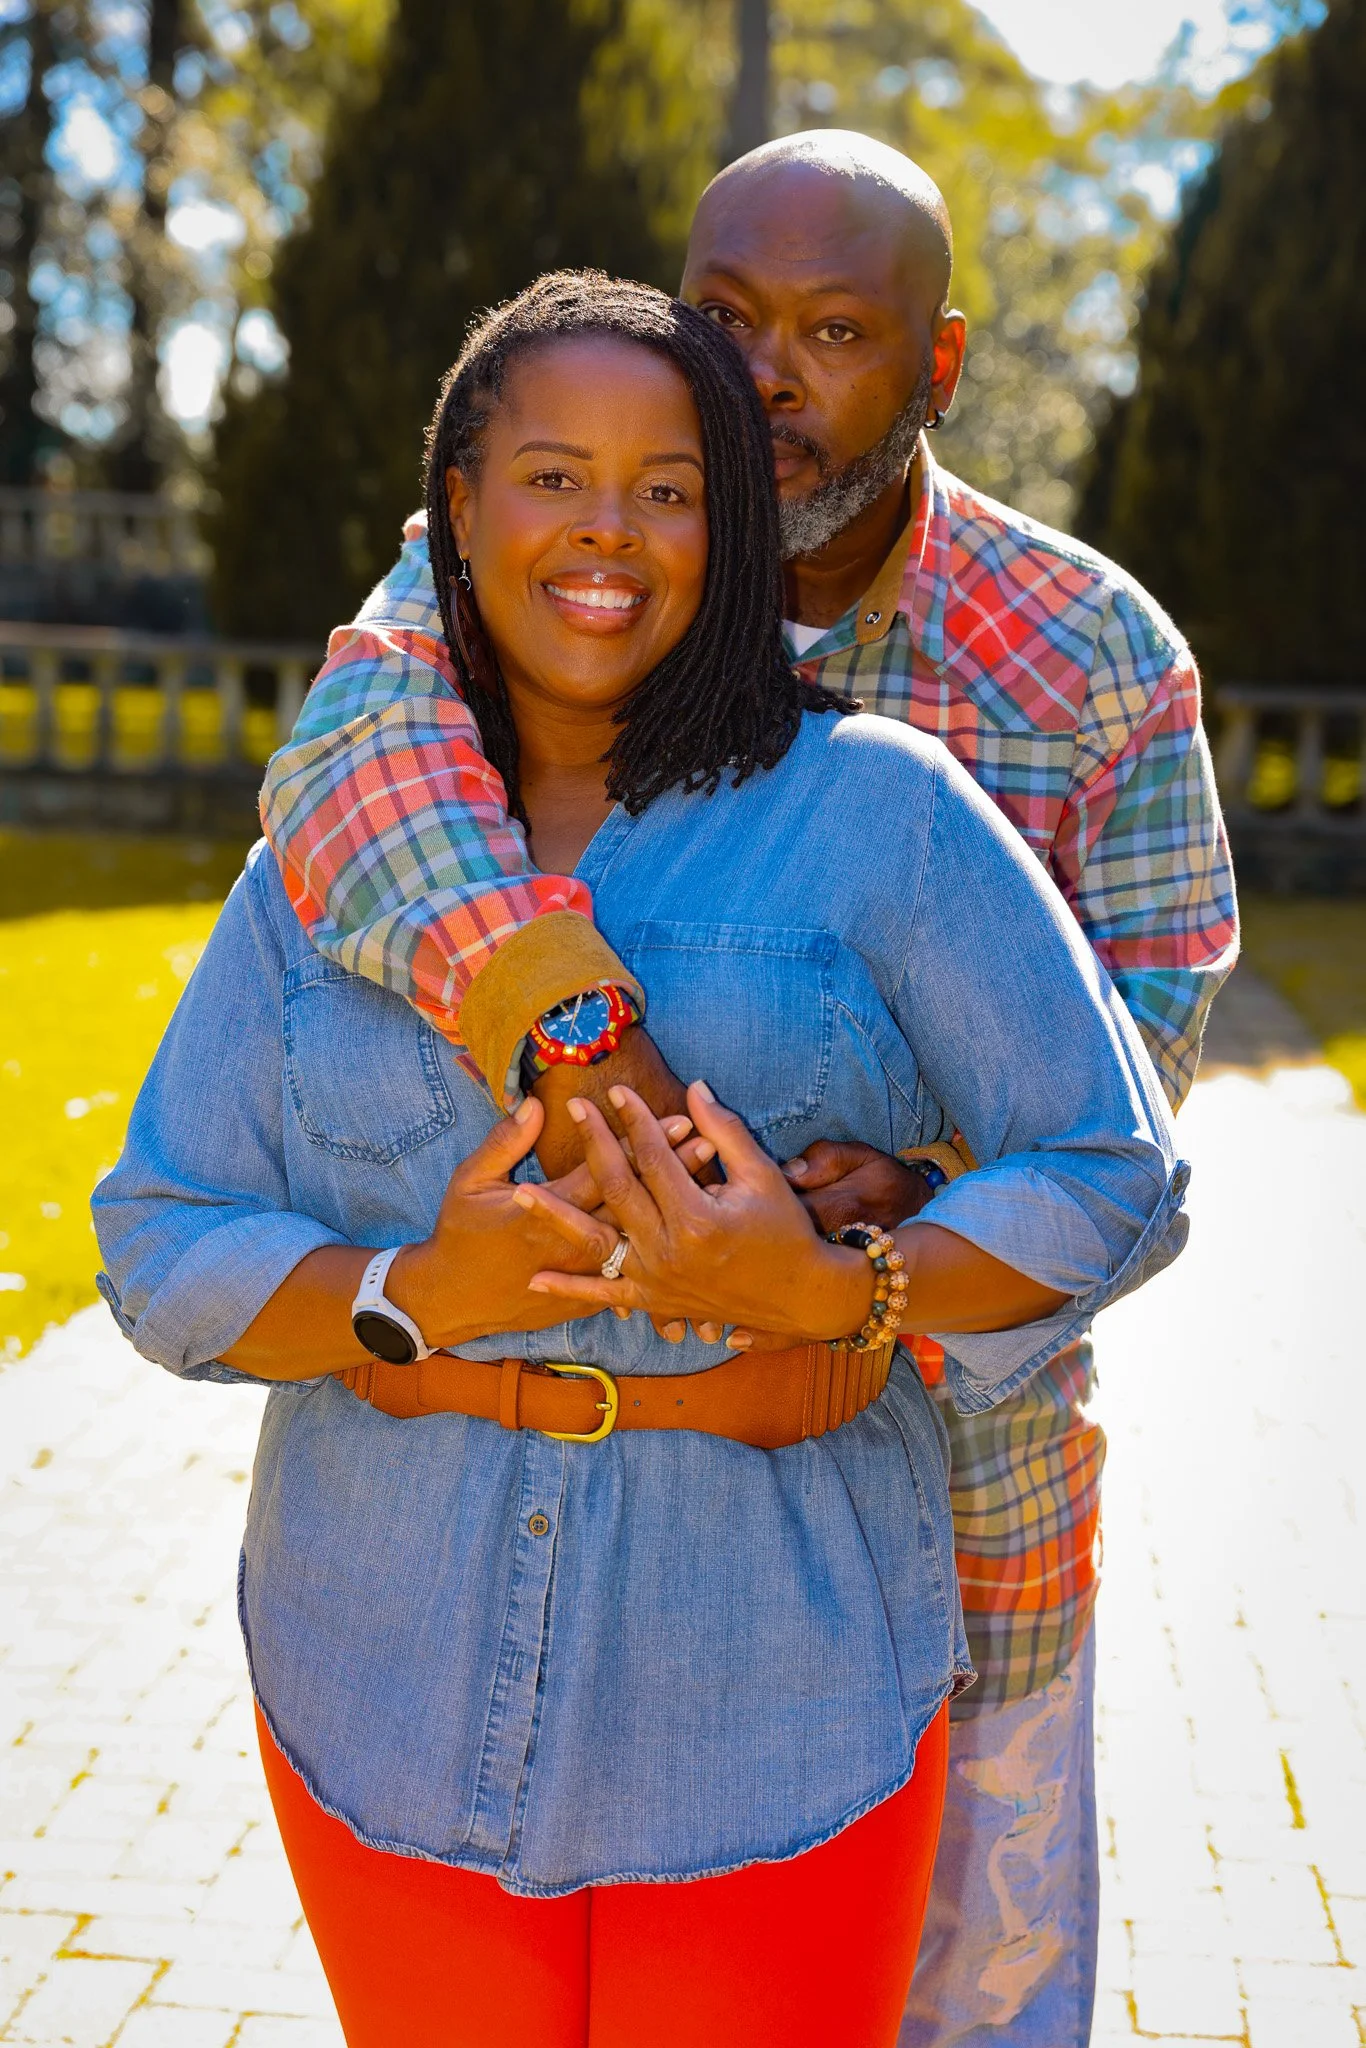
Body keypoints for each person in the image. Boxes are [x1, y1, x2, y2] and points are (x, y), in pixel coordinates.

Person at [94, 274, 1188, 2048]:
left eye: (668, 489)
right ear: (454, 508)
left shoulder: (886, 814)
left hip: (779, 1685)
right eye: (549, 475)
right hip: (380, 1661)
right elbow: (159, 1237)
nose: (606, 532)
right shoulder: (328, 861)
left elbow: (1113, 1165)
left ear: (728, 528)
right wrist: (403, 1299)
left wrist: (842, 1285)